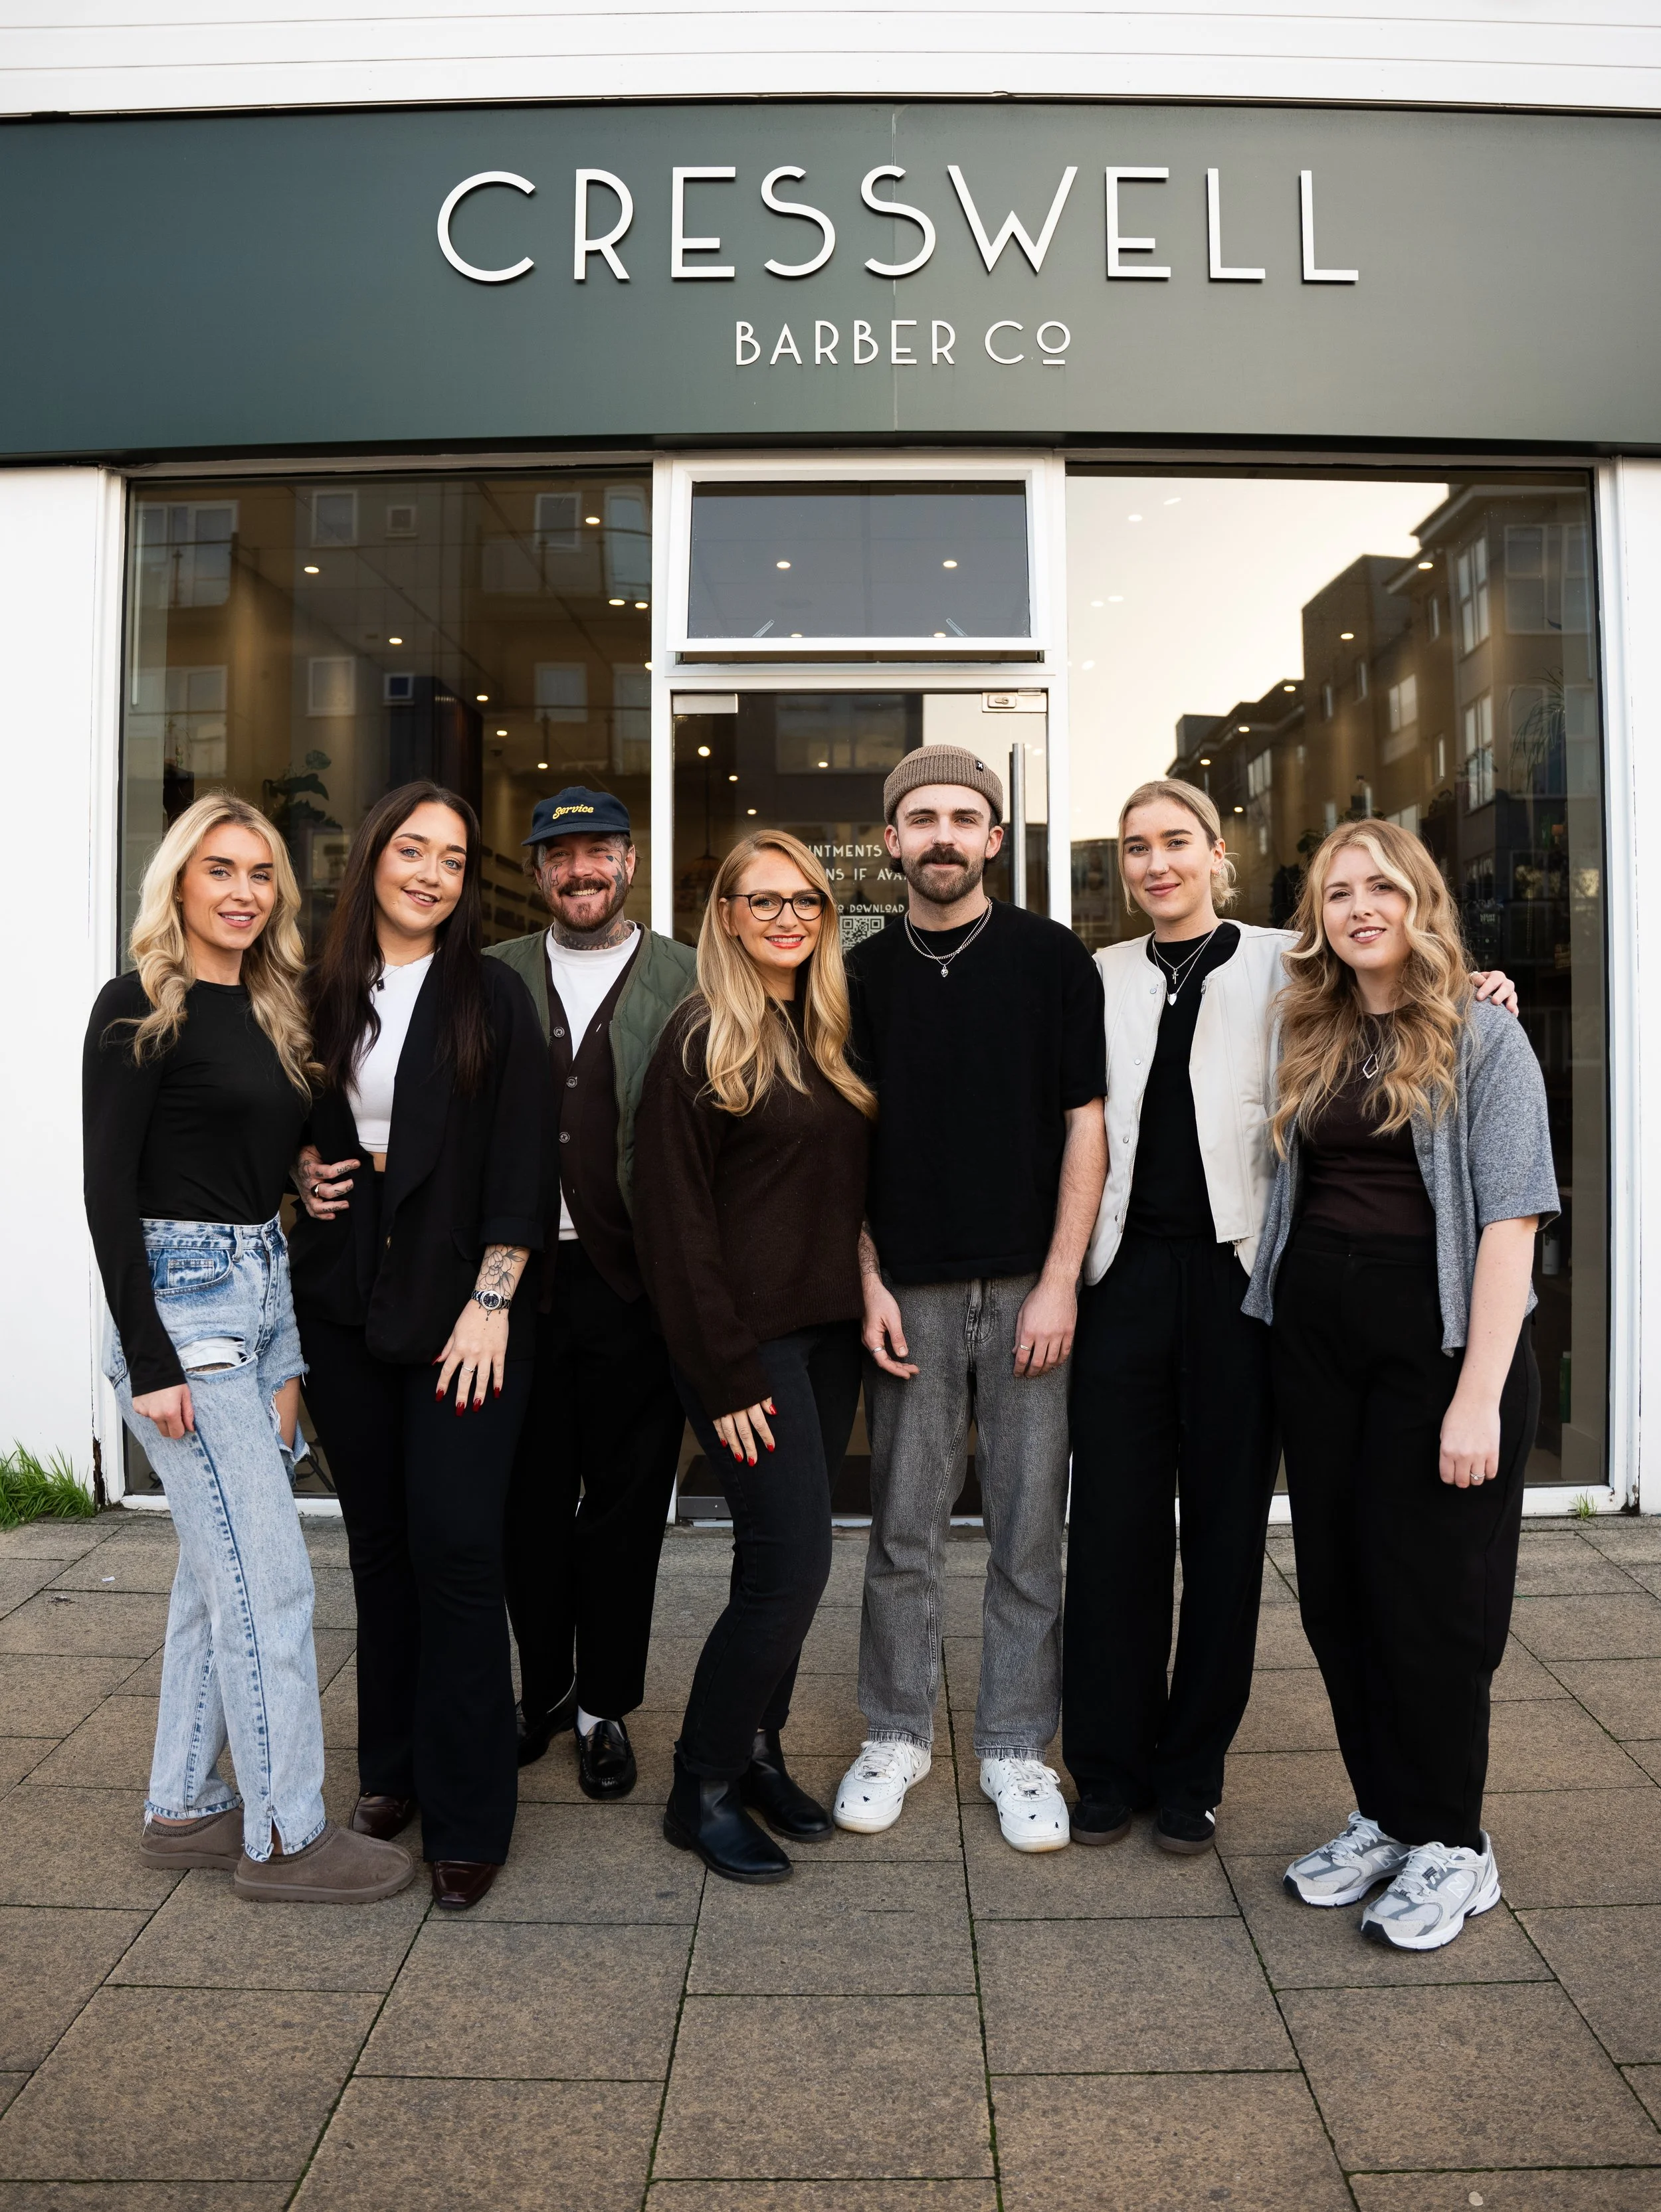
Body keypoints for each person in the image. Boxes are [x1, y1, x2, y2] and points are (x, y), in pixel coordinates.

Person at [83, 792, 412, 1904]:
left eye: (261, 872)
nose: (240, 890)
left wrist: (308, 1178)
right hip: (184, 1309)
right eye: (219, 869)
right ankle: (285, 1834)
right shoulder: (138, 1008)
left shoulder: (278, 1008)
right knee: (271, 1581)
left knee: (212, 1568)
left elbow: (300, 1146)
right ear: (178, 882)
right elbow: (109, 1192)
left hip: (263, 1295)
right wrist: (151, 1359)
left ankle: (184, 1805)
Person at [1244, 818, 1557, 1952]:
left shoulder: (1484, 1038)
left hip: (1440, 1349)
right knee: (1339, 1591)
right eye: (1337, 892)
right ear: (1316, 916)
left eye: (1381, 886)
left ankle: (1455, 1845)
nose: (1360, 906)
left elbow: (1513, 1220)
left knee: (1434, 1602)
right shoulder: (1311, 1028)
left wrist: (1478, 1392)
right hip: (1319, 1343)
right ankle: (1385, 1809)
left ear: (1419, 900)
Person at [832, 745, 1108, 1855]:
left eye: (964, 816)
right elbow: (839, 1145)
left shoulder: (1053, 960)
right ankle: (896, 1730)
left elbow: (1086, 1122)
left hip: (1028, 1288)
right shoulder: (853, 974)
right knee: (901, 1530)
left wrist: (1059, 1282)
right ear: (891, 839)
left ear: (996, 838)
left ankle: (1014, 1745)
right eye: (920, 817)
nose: (942, 834)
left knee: (1028, 1529)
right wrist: (864, 1281)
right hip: (908, 1291)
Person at [290, 781, 544, 1912]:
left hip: (466, 1310)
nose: (434, 872)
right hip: (345, 1301)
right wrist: (298, 1170)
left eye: (454, 857)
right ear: (374, 859)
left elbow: (526, 1170)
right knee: (379, 1548)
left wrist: (492, 1301)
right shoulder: (316, 992)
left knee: (455, 1548)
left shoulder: (492, 997)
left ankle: (472, 1807)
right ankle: (389, 1766)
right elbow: (276, 1121)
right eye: (414, 849)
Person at [634, 830, 874, 1883]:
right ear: (726, 913)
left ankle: (759, 1749)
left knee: (779, 1556)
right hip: (746, 1347)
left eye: (807, 902)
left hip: (825, 1337)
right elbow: (674, 1230)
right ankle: (701, 1783)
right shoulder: (700, 1039)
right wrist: (726, 1373)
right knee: (793, 1563)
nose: (787, 918)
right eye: (763, 900)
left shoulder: (824, 1029)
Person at [484, 787, 696, 1796]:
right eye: (559, 856)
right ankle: (545, 1693)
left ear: (629, 861)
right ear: (537, 873)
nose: (580, 871)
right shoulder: (489, 978)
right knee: (526, 1505)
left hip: (634, 1288)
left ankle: (607, 1705)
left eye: (598, 852)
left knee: (622, 1510)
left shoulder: (691, 979)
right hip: (516, 1287)